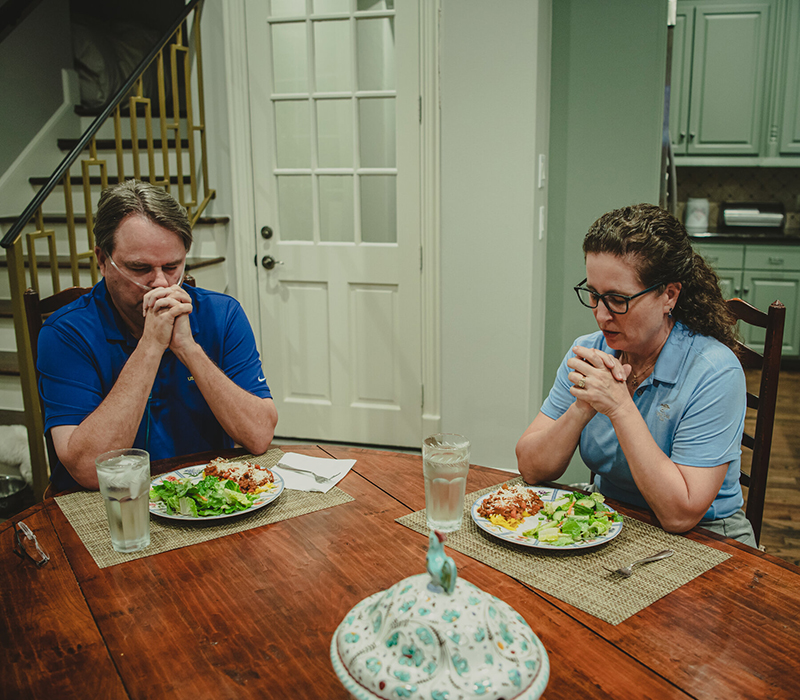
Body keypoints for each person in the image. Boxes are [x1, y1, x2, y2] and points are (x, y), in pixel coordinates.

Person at [516, 203, 756, 547]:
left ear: (668, 295)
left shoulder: (714, 371)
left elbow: (680, 514)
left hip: (707, 540)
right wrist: (583, 407)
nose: (601, 315)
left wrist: (619, 407)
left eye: (617, 299)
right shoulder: (589, 351)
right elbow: (531, 468)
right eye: (594, 295)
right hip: (611, 522)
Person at [38, 180, 278, 491]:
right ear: (102, 260)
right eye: (140, 268)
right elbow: (88, 470)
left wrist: (188, 348)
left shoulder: (222, 313)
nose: (161, 284)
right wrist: (150, 345)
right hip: (108, 505)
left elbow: (259, 436)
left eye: (172, 266)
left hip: (204, 494)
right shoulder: (66, 333)